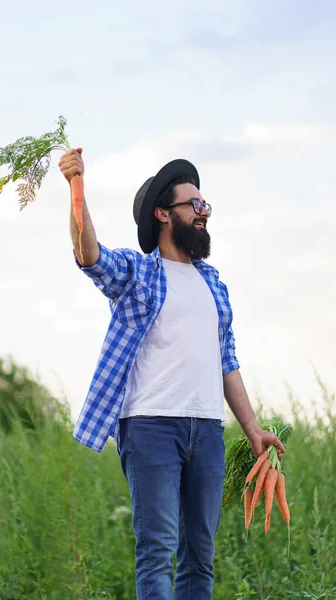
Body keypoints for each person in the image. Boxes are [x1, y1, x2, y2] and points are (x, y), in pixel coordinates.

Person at [59, 148, 285, 600]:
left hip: (207, 430)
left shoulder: (213, 283)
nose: (203, 213)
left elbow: (228, 361)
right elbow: (90, 256)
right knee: (158, 551)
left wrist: (253, 429)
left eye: (206, 206)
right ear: (164, 214)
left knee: (200, 554)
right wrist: (77, 188)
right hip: (150, 428)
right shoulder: (141, 273)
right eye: (194, 205)